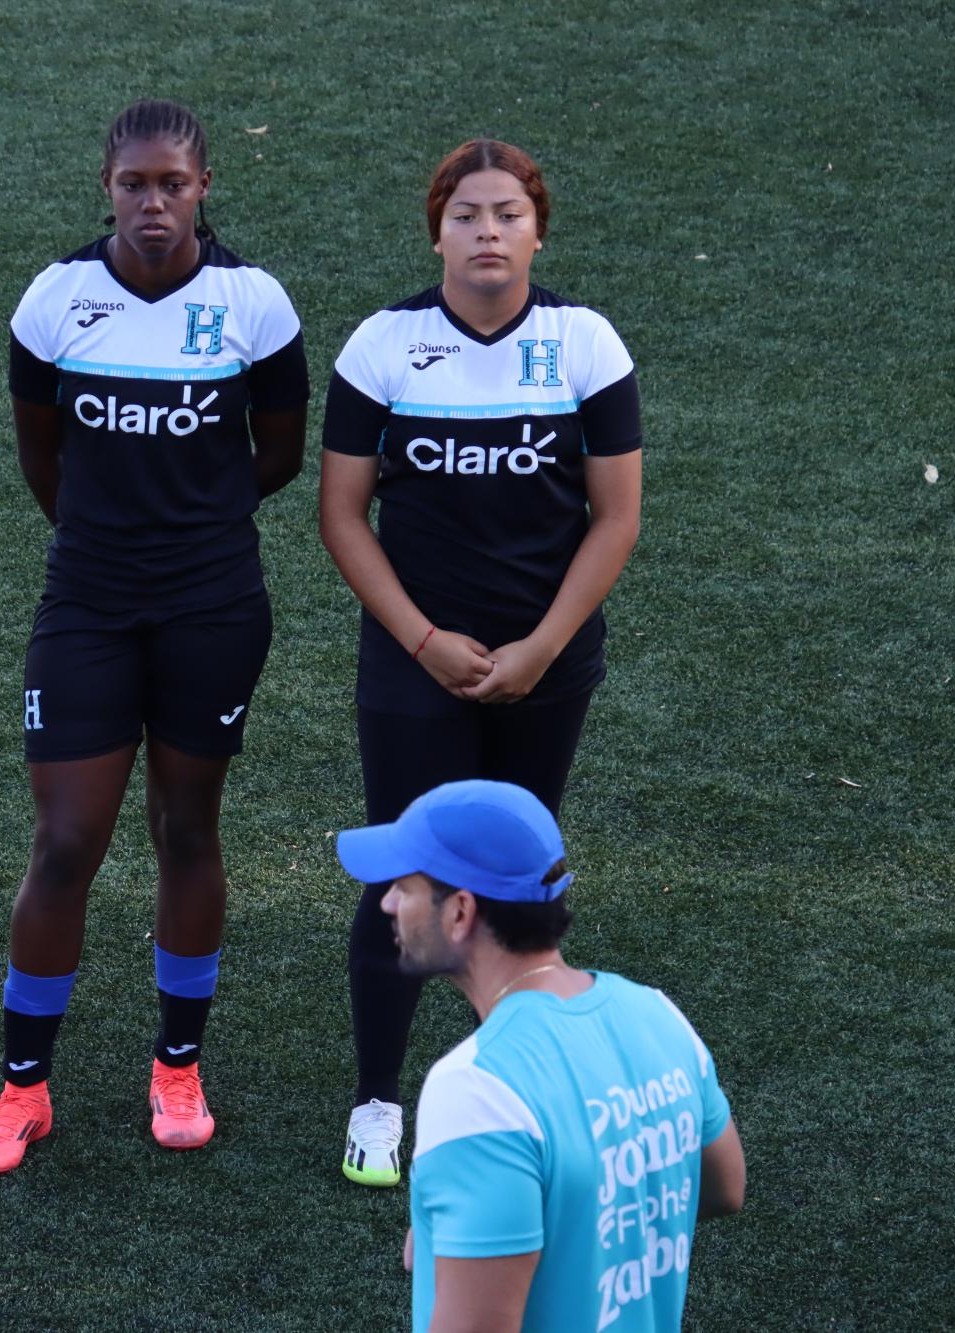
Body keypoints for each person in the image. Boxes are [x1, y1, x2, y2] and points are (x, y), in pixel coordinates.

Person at [0, 98, 310, 1174]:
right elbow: (39, 454)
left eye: (171, 183)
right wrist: (111, 540)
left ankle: (176, 1065)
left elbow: (279, 455)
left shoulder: (251, 304)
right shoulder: (55, 300)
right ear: (103, 185)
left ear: (204, 187)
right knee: (65, 839)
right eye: (132, 184)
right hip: (88, 603)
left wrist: (188, 528)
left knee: (186, 828)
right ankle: (23, 1087)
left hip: (211, 605)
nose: (151, 202)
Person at [319, 139, 644, 1185]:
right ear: (436, 231)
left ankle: (515, 1084)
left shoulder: (584, 344)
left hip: (546, 667)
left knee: (516, 876)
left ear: (537, 228)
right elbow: (340, 514)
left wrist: (539, 649)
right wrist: (422, 639)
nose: (487, 231)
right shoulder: (382, 344)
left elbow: (614, 518)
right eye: (466, 214)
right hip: (413, 667)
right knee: (406, 879)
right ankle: (377, 1100)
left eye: (507, 212)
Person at [335, 779, 744, 1329]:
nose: (386, 902)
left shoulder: (477, 1088)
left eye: (404, 887)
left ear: (460, 912)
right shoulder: (658, 1015)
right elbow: (723, 1188)